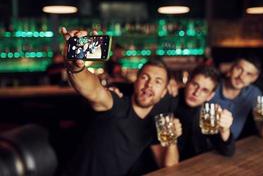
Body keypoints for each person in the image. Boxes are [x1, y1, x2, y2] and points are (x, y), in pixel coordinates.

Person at [61, 27, 182, 176]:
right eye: (145, 77)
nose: (149, 84)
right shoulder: (116, 104)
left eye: (158, 81)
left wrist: (172, 140)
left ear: (164, 91)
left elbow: (169, 169)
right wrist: (75, 66)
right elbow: (93, 90)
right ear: (135, 81)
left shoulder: (154, 122)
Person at [210, 55, 263, 140]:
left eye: (249, 74)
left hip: (230, 147)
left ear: (254, 78)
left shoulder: (254, 93)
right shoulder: (211, 86)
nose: (241, 76)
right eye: (239, 69)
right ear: (231, 68)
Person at [172, 66, 235, 161]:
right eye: (194, 84)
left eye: (204, 90)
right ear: (187, 82)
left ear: (210, 96)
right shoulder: (170, 101)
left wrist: (225, 130)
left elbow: (228, 151)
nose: (196, 93)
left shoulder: (208, 112)